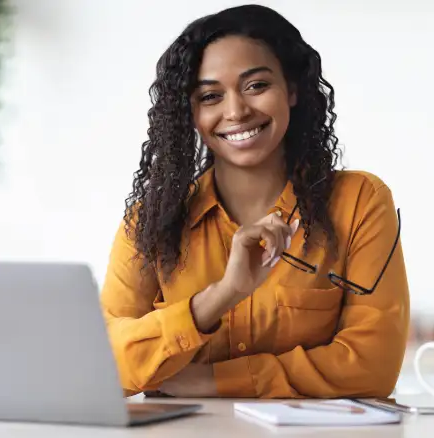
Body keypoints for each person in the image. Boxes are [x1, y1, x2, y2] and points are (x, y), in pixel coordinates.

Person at [100, 4, 409, 399]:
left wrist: (210, 381)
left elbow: (372, 367)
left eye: (256, 86)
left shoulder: (361, 203)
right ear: (190, 113)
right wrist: (222, 295)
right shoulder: (151, 221)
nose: (236, 111)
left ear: (292, 90)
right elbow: (107, 366)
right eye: (210, 96)